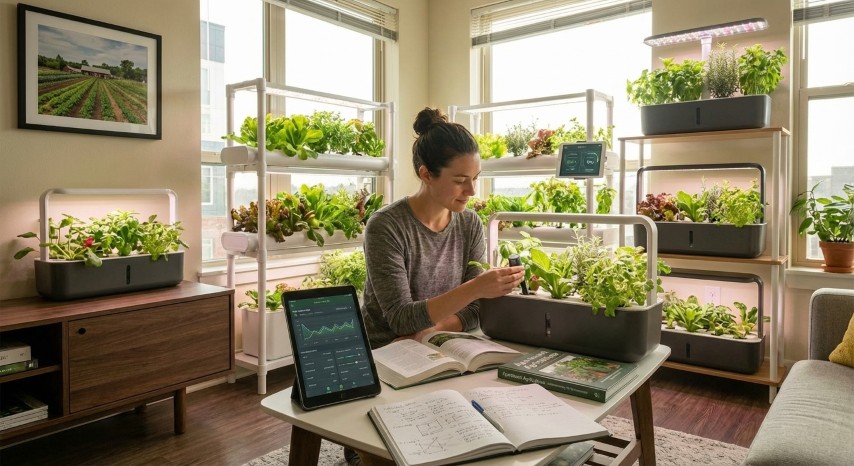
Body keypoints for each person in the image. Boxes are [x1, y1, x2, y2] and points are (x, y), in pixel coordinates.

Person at [360, 107, 525, 349]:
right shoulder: (386, 226)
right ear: (426, 175)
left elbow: (477, 310)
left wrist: (432, 330)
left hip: (443, 345)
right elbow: (401, 319)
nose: (471, 191)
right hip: (388, 352)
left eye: (475, 178)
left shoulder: (469, 224)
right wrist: (476, 288)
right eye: (460, 181)